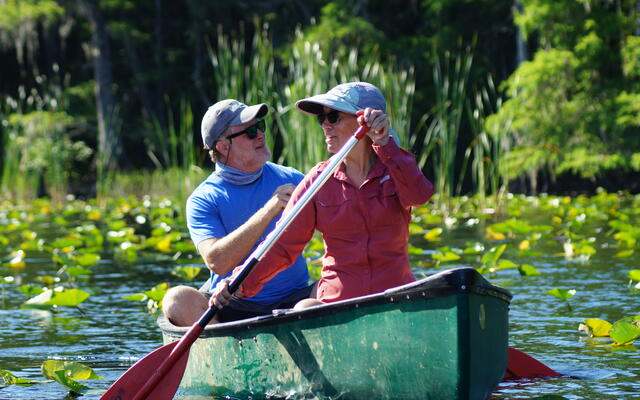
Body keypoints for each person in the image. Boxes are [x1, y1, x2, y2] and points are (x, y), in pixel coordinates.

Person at [218, 82, 434, 308]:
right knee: (304, 307)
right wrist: (238, 283)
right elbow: (282, 246)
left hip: (395, 299)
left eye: (333, 118)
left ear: (367, 121)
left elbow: (419, 196)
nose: (325, 126)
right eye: (321, 119)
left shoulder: (397, 167)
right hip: (337, 306)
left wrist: (384, 143)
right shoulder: (318, 180)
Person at [162, 99, 312, 326]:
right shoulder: (203, 199)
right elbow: (218, 262)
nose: (260, 134)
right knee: (176, 300)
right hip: (233, 306)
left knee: (332, 288)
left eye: (260, 126)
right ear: (223, 146)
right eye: (250, 132)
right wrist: (268, 211)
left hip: (296, 299)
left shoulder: (291, 178)